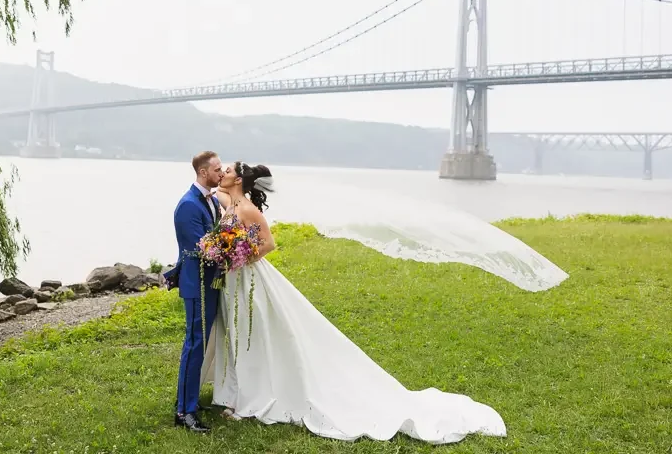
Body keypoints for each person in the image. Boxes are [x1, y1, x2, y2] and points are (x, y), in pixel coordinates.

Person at [198, 161, 508, 444]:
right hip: (233, 280)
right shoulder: (232, 202)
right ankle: (236, 393)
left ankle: (251, 395)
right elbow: (217, 203)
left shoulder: (249, 208)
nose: (221, 172)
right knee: (237, 333)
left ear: (238, 178)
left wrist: (238, 257)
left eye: (225, 170)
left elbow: (268, 243)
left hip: (249, 277)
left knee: (254, 333)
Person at [166, 151, 224, 433]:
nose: (221, 173)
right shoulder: (188, 205)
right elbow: (205, 248)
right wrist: (230, 250)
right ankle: (184, 412)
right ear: (203, 172)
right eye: (217, 169)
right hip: (197, 283)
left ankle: (188, 399)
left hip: (211, 282)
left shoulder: (212, 200)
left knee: (200, 342)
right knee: (194, 344)